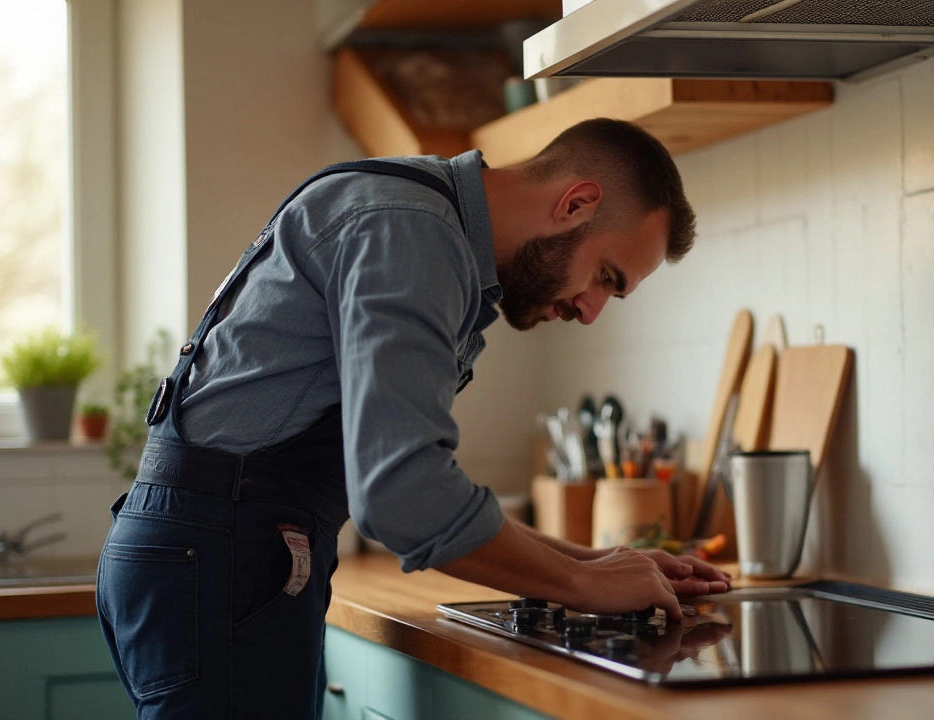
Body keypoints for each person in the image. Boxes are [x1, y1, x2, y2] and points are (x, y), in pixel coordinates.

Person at [96, 118, 729, 719]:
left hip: (209, 552)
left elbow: (401, 481)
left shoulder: (415, 212)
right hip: (221, 561)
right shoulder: (415, 235)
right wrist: (583, 586)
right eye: (607, 277)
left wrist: (592, 562)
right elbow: (403, 495)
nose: (592, 311)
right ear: (576, 203)